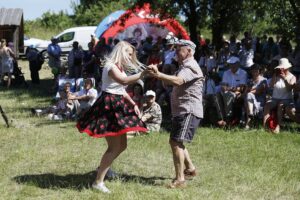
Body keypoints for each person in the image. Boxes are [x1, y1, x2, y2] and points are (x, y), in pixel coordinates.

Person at [76, 41, 150, 193]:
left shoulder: (119, 67)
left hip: (116, 104)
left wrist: (133, 103)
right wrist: (143, 74)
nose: (130, 57)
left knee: (122, 145)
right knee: (114, 146)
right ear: (121, 52)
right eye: (129, 54)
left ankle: (103, 168)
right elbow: (123, 81)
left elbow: (121, 89)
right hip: (108, 106)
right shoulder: (110, 66)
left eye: (131, 54)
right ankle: (98, 182)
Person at [147, 39, 204, 188]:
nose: (176, 53)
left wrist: (159, 75)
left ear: (189, 51)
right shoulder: (183, 66)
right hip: (182, 110)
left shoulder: (191, 66)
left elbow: (178, 81)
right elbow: (171, 82)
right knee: (176, 141)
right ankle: (190, 169)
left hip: (188, 110)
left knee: (176, 142)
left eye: (179, 50)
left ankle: (180, 179)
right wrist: (159, 74)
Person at [263, 58, 296, 133]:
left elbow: (289, 89)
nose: (282, 70)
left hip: (287, 100)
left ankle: (278, 126)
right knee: (267, 105)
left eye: (283, 68)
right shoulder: (276, 75)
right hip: (275, 99)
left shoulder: (292, 77)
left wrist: (284, 79)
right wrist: (275, 76)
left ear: (287, 68)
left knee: (280, 104)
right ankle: (264, 125)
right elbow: (271, 86)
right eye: (281, 68)